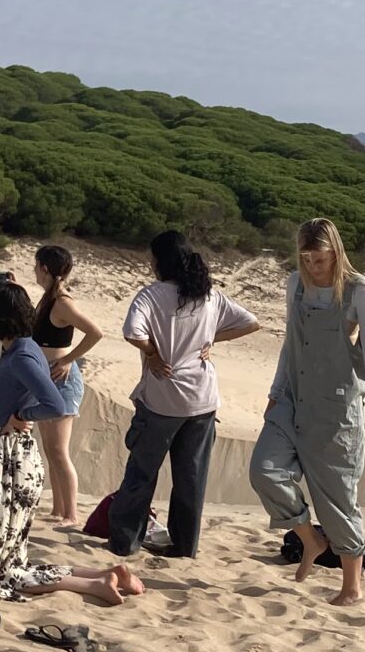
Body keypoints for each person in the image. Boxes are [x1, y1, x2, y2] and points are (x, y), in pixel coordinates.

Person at [0, 282, 146, 606]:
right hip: (1, 454)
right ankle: (99, 575)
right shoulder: (24, 347)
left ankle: (96, 584)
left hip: (2, 457)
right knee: (4, 561)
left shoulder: (21, 355)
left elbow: (55, 404)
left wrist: (21, 413)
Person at [251, 218, 365, 605]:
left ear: (336, 253)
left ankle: (351, 587)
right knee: (264, 469)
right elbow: (289, 342)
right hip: (293, 398)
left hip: (336, 408)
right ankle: (309, 539)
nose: (313, 267)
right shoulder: (295, 284)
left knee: (338, 498)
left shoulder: (358, 289)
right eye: (306, 259)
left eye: (320, 259)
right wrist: (276, 390)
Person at [110, 230, 261, 559]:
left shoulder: (150, 295)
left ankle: (125, 542)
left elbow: (131, 333)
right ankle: (184, 547)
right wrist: (209, 342)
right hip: (202, 399)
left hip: (163, 398)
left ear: (159, 261)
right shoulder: (208, 295)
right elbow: (252, 323)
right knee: (191, 477)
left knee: (142, 472)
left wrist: (152, 353)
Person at [30, 243, 106, 525]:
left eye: (36, 266)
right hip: (44, 377)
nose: (34, 272)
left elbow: (96, 332)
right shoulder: (47, 299)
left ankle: (71, 513)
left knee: (60, 451)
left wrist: (69, 359)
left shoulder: (62, 302)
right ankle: (58, 509)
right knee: (50, 449)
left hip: (61, 379)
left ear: (45, 269)